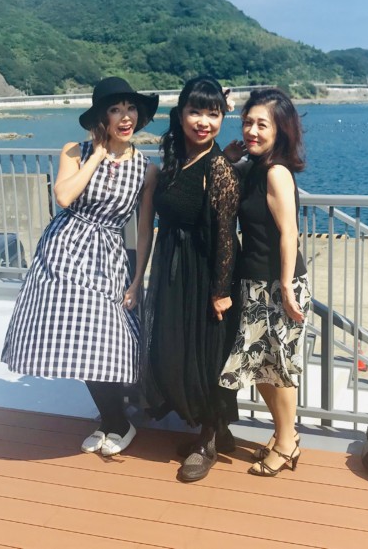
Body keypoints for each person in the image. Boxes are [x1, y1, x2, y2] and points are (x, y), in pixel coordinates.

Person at [1, 77, 159, 457]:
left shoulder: (146, 169)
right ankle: (113, 421)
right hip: (64, 251)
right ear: (102, 117)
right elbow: (64, 196)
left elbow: (144, 229)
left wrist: (137, 279)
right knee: (76, 339)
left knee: (105, 338)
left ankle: (117, 420)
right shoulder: (75, 151)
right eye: (115, 110)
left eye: (131, 108)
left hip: (108, 257)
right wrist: (98, 157)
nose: (125, 117)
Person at [141, 75, 241, 482]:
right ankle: (214, 430)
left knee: (206, 356)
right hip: (174, 267)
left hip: (205, 273)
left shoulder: (218, 168)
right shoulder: (176, 156)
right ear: (180, 114)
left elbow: (226, 234)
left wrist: (221, 290)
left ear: (222, 118)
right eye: (196, 112)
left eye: (213, 114)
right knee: (177, 349)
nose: (204, 121)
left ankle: (209, 440)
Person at [219, 87, 310, 477]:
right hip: (255, 281)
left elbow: (289, 233)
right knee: (259, 367)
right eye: (247, 122)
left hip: (276, 285)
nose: (252, 131)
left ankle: (288, 443)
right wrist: (227, 158)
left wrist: (286, 287)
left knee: (278, 368)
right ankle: (284, 434)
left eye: (262, 124)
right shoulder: (253, 167)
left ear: (280, 130)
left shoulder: (276, 172)